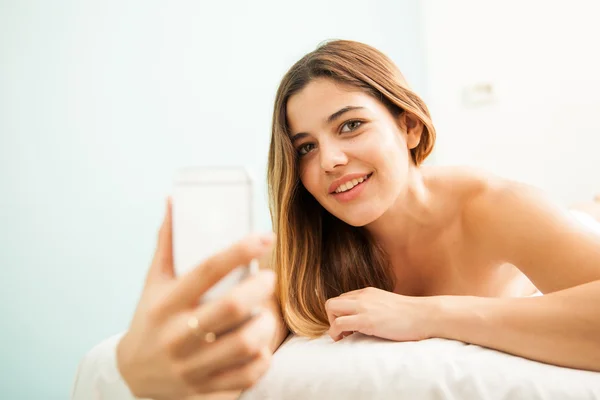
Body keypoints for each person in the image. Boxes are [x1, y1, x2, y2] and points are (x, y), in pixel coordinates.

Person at [115, 39, 600, 399]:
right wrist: (158, 365)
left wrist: (427, 314)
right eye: (305, 147)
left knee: (582, 216)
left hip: (558, 226)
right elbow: (260, 324)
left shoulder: (496, 205)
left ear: (408, 125)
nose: (329, 160)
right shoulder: (305, 245)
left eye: (350, 125)